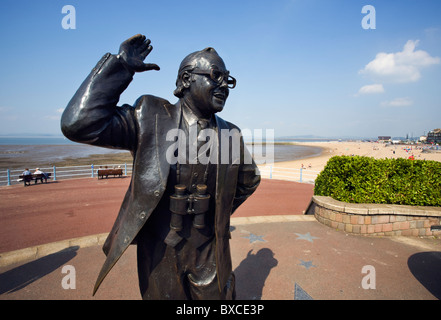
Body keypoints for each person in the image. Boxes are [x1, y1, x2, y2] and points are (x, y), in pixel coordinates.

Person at [61, 34, 260, 300]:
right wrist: (121, 66)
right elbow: (78, 124)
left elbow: (249, 180)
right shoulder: (150, 115)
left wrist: (219, 211)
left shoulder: (230, 134)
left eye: (228, 79)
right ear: (186, 80)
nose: (223, 85)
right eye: (215, 76)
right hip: (159, 252)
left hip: (210, 251)